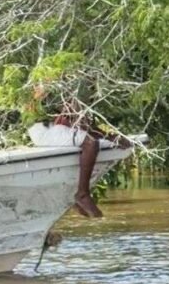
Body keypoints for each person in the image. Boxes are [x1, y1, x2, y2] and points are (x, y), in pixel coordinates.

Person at [28, 79, 131, 218]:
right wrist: (110, 137)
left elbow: (79, 123)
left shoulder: (65, 88)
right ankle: (83, 193)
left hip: (48, 128)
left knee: (86, 139)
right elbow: (79, 122)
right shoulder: (55, 87)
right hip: (43, 131)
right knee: (90, 143)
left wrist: (110, 136)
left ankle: (74, 197)